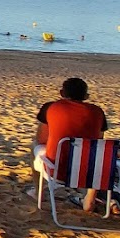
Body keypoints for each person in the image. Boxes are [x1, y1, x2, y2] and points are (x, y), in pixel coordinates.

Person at [32, 77, 109, 210]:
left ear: (62, 93)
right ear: (86, 96)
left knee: (34, 146)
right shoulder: (98, 112)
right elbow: (99, 141)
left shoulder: (51, 107)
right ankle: (90, 198)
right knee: (94, 153)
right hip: (87, 171)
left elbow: (41, 138)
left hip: (57, 169)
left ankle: (38, 192)